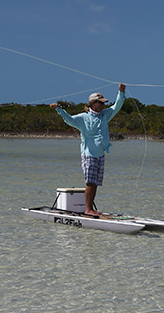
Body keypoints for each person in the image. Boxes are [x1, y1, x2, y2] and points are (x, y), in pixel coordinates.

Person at [51, 83, 126, 216]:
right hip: (88, 154)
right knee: (90, 183)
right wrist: (59, 109)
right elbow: (69, 120)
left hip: (100, 154)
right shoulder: (83, 118)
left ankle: (90, 208)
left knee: (95, 183)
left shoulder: (105, 115)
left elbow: (117, 106)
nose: (103, 105)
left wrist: (121, 92)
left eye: (103, 103)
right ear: (93, 103)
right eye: (100, 103)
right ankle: (88, 209)